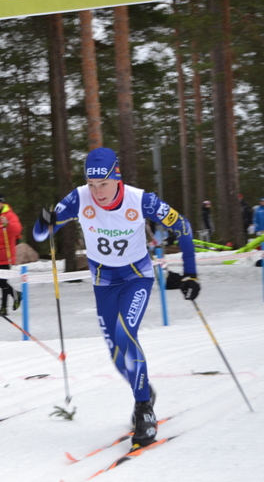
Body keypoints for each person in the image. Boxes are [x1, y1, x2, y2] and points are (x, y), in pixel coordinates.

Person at [33, 147, 200, 450]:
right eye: (92, 185)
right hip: (103, 283)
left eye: (104, 184)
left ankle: (144, 409)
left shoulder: (141, 200)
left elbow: (183, 226)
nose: (98, 193)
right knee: (117, 357)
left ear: (117, 178)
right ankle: (144, 389)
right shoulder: (79, 198)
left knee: (125, 334)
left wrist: (191, 273)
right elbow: (41, 234)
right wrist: (45, 222)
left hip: (136, 278)